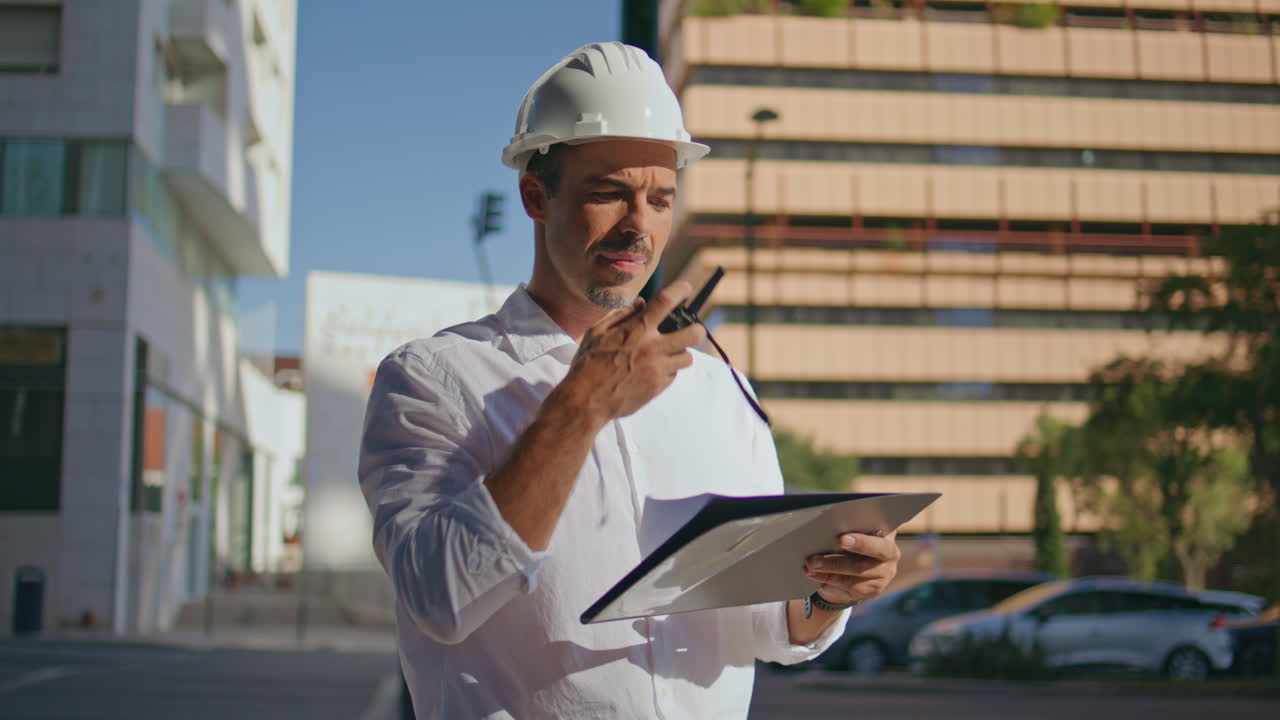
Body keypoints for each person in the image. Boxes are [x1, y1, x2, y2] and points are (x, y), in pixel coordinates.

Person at [358, 42, 901, 719]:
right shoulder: (433, 380)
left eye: (660, 198)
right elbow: (440, 596)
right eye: (609, 194)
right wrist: (582, 403)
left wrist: (827, 592)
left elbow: (765, 625)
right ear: (535, 196)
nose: (639, 224)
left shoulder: (721, 391)